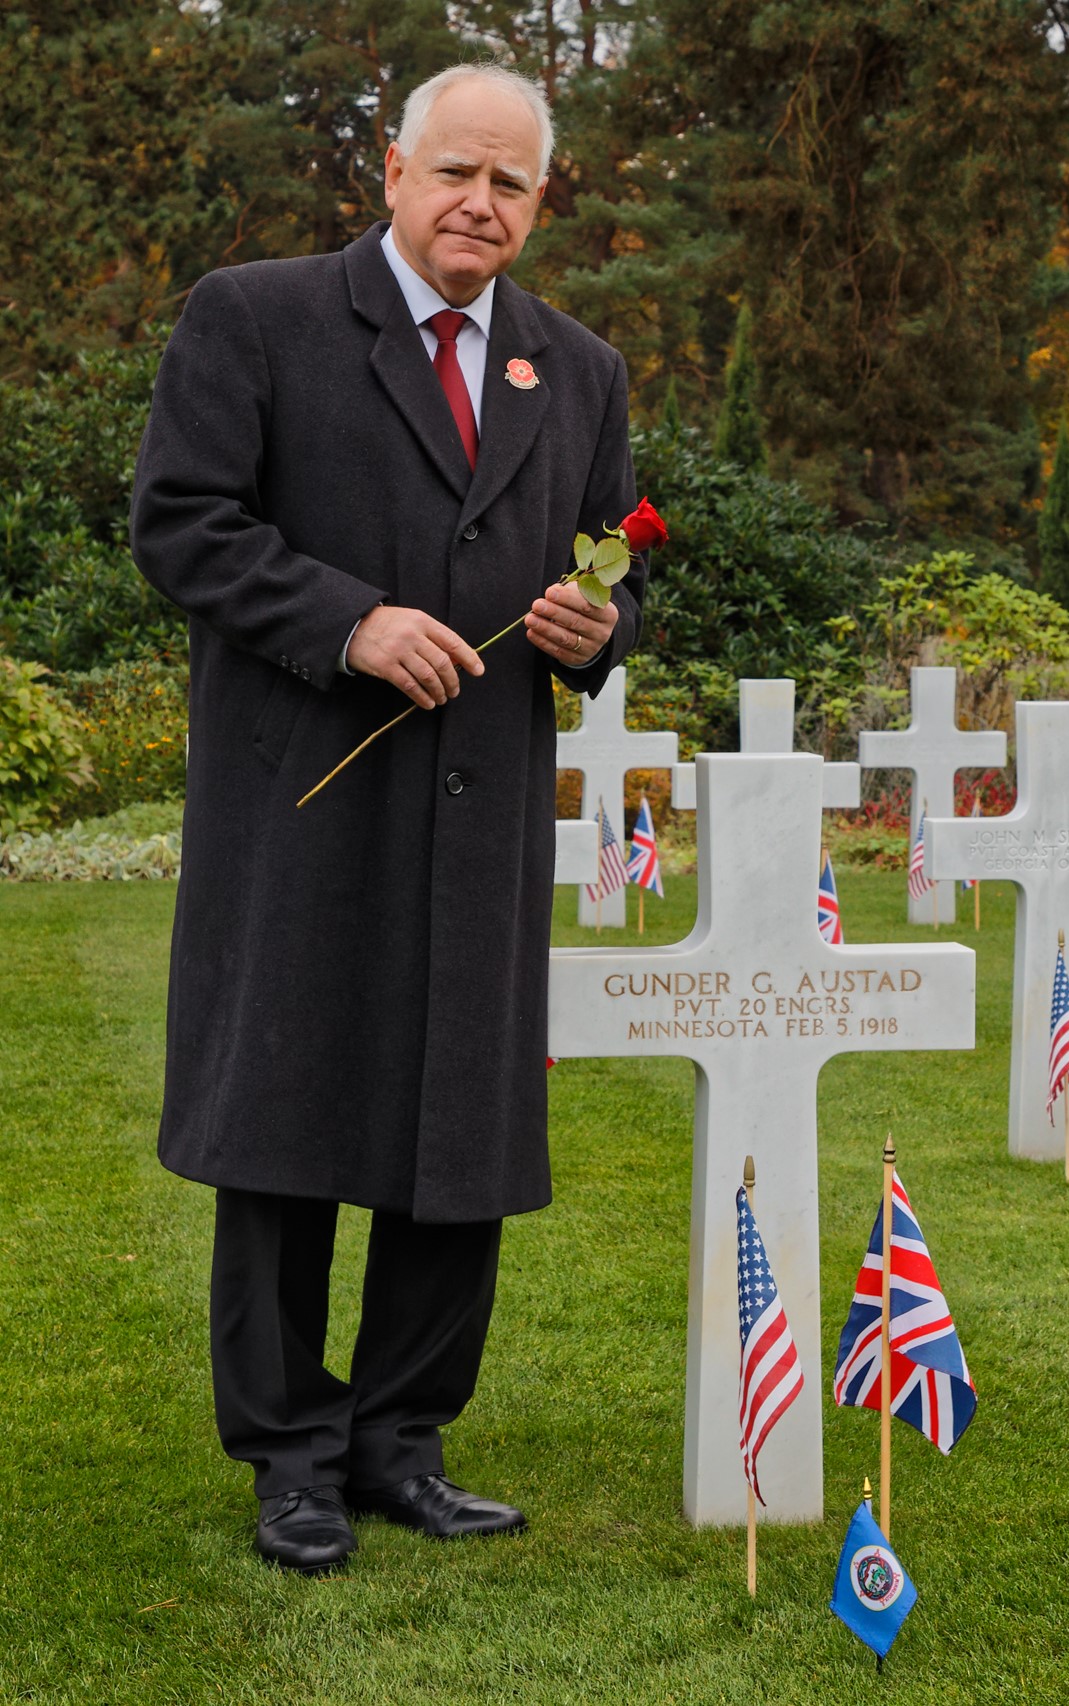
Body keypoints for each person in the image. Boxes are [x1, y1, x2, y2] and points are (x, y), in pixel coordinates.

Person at [131, 62, 647, 1575]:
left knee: (457, 1122)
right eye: (455, 174)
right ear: (393, 171)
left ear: (541, 202)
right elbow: (182, 519)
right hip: (303, 792)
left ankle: (401, 1440)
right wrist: (350, 623)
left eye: (511, 183)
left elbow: (613, 566)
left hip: (483, 807)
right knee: (285, 1113)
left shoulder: (579, 367)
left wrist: (590, 631)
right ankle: (288, 1451)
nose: (479, 203)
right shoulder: (257, 315)